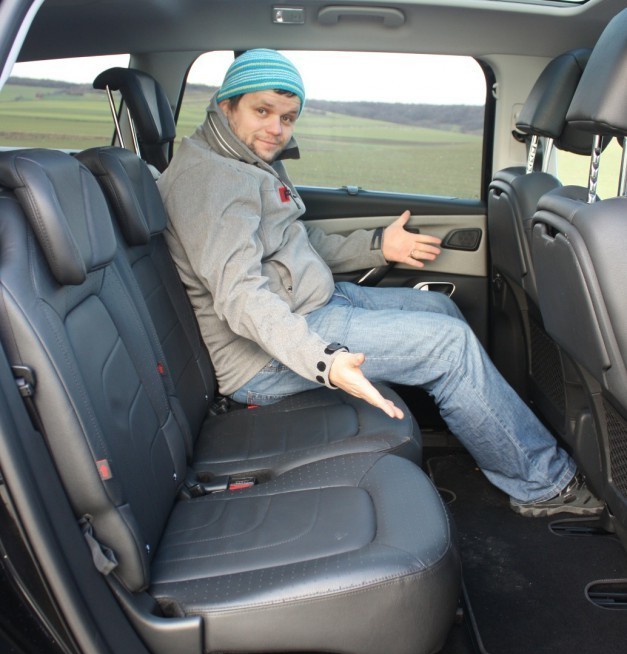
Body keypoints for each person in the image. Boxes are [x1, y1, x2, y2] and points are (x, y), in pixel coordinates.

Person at [157, 48, 602, 517]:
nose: (276, 129)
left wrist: (378, 245)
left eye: (287, 118)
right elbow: (242, 296)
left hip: (312, 304)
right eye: (262, 111)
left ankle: (488, 429)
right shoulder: (211, 182)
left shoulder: (247, 159)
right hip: (263, 357)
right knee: (448, 347)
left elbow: (295, 241)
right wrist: (326, 361)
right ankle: (544, 484)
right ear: (226, 104)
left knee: (442, 311)